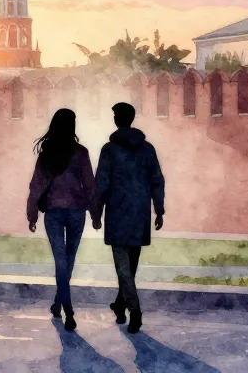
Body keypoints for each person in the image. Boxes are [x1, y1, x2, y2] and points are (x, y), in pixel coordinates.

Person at [93, 102, 164, 335]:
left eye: (115, 115)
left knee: (124, 268)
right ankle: (119, 304)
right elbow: (157, 180)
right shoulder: (147, 149)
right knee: (129, 267)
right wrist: (159, 209)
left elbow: (102, 183)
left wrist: (96, 211)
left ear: (117, 119)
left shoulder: (109, 150)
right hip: (140, 214)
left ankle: (135, 311)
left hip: (117, 213)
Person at [26, 108, 96, 333]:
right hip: (76, 212)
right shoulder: (81, 153)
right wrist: (95, 213)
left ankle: (61, 305)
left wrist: (32, 214)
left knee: (61, 261)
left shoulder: (47, 153)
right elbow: (90, 185)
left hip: (53, 213)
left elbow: (36, 186)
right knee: (68, 260)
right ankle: (68, 310)